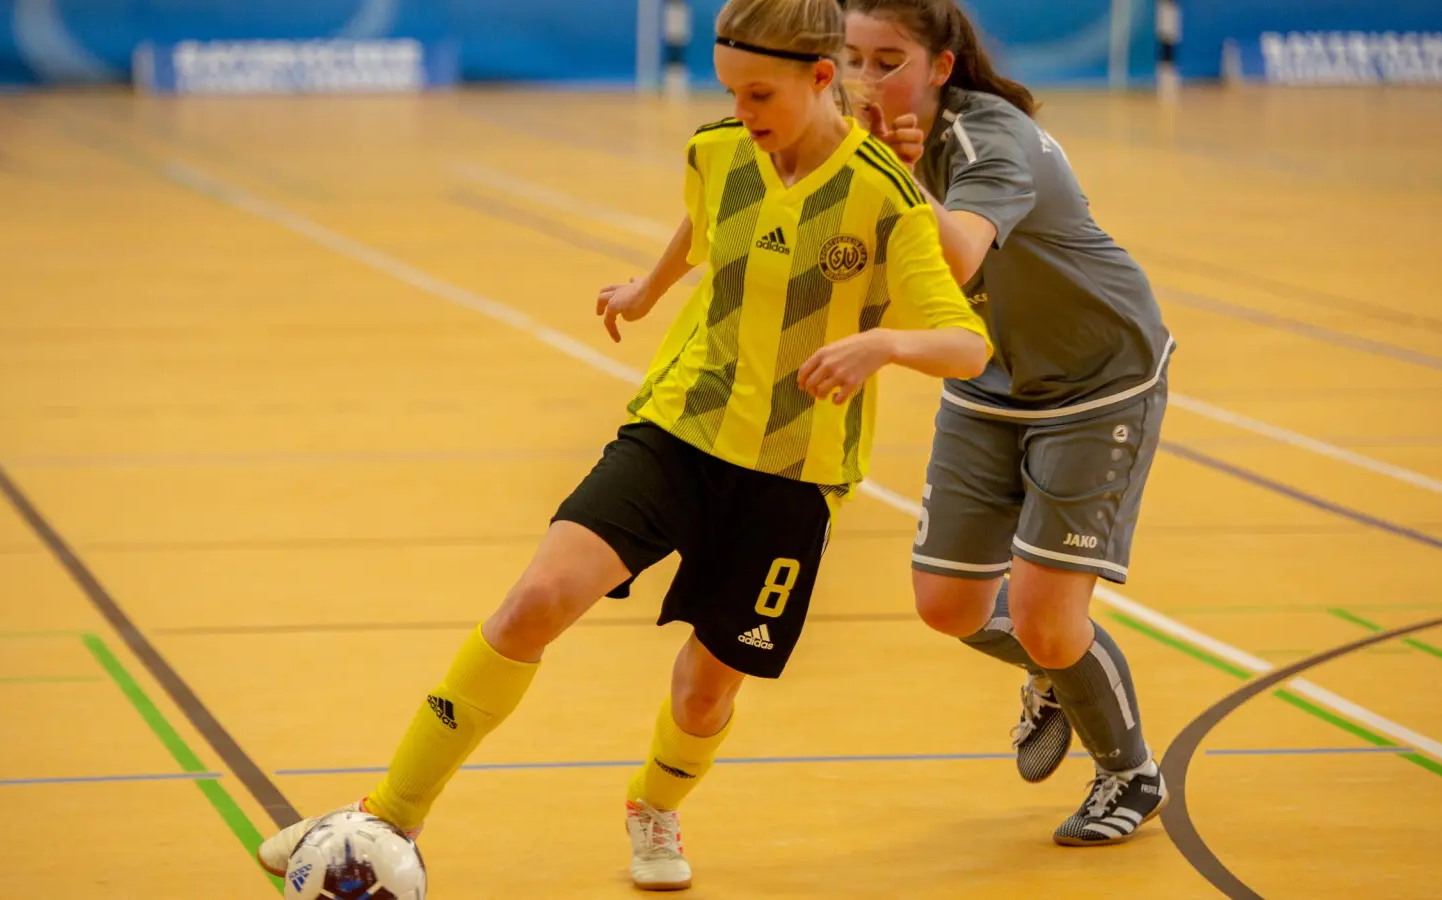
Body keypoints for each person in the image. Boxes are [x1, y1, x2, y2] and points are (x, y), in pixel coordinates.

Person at [254, 0, 991, 890]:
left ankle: (655, 806)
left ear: (821, 78)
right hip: (677, 431)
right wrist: (648, 288)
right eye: (730, 90)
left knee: (706, 690)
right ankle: (379, 823)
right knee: (535, 600)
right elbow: (707, 220)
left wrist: (885, 343)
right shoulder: (719, 151)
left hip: (792, 479)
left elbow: (967, 343)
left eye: (759, 92)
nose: (742, 110)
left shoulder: (883, 193)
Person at [843, 0, 1177, 846]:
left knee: (1045, 618)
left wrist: (892, 177)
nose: (866, 81)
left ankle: (1130, 772)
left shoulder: (988, 138)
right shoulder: (860, 140)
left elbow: (954, 257)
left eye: (889, 61)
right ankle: (1055, 673)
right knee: (948, 606)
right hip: (990, 376)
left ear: (941, 67)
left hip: (1097, 378)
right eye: (850, 60)